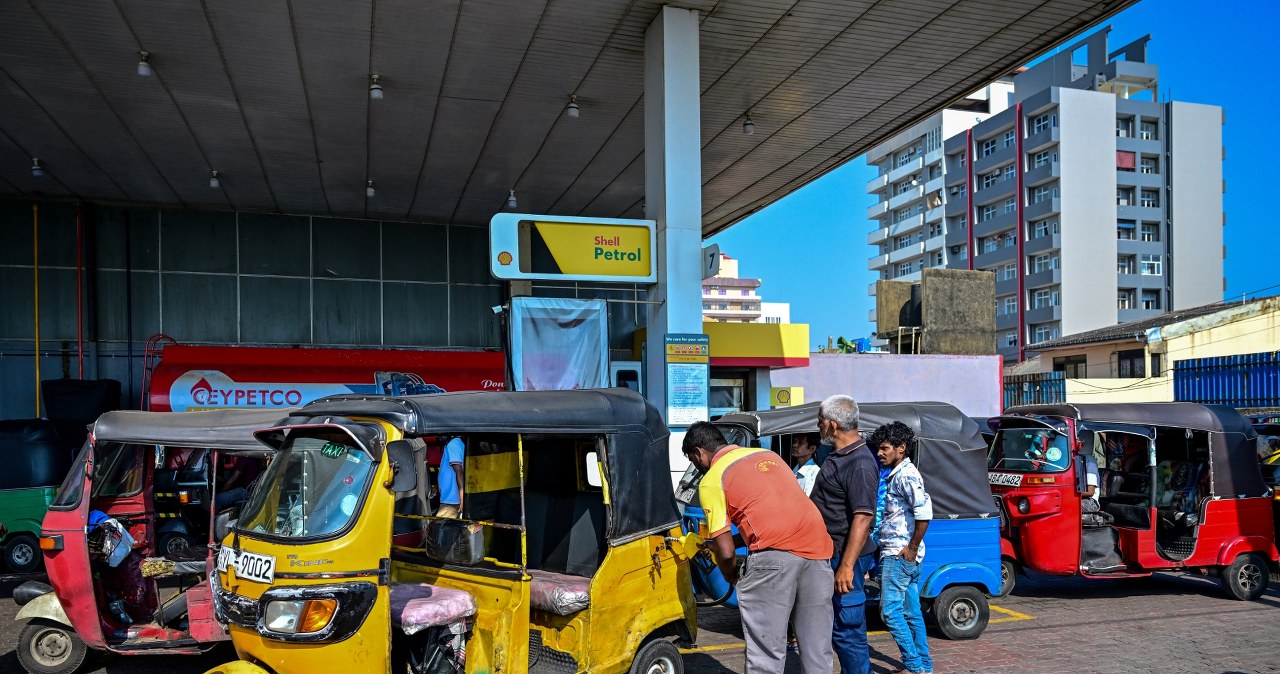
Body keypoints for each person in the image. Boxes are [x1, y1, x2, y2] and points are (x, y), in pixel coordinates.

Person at [683, 421, 834, 674]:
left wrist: (730, 575)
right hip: (818, 551)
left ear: (698, 453)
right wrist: (727, 544)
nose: (697, 466)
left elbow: (727, 552)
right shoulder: (768, 456)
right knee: (817, 647)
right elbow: (773, 516)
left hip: (773, 560)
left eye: (692, 459)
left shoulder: (712, 479)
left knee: (766, 653)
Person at [809, 395, 880, 674]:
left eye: (819, 421)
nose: (818, 426)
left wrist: (847, 567)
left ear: (832, 424)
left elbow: (863, 517)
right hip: (832, 553)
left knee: (847, 629)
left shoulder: (859, 463)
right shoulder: (840, 456)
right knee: (838, 627)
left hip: (844, 557)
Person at [869, 421, 933, 674]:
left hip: (899, 555)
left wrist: (911, 548)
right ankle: (924, 666)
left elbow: (924, 513)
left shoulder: (906, 475)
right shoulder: (897, 473)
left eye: (884, 448)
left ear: (901, 448)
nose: (880, 453)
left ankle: (915, 666)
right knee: (911, 613)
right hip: (901, 554)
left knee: (890, 613)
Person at [436, 436, 465, 518]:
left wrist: (462, 499)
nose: (437, 435)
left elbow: (459, 472)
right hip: (451, 499)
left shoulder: (453, 444)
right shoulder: (453, 444)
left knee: (440, 528)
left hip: (452, 501)